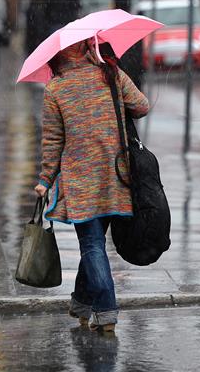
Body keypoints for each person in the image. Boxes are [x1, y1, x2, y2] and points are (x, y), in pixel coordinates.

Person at [34, 40, 149, 333]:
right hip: (116, 176)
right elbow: (142, 106)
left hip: (79, 181)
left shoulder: (56, 89)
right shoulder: (110, 74)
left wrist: (45, 180)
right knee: (94, 245)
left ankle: (106, 309)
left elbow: (52, 141)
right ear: (86, 47)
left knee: (92, 245)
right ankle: (82, 304)